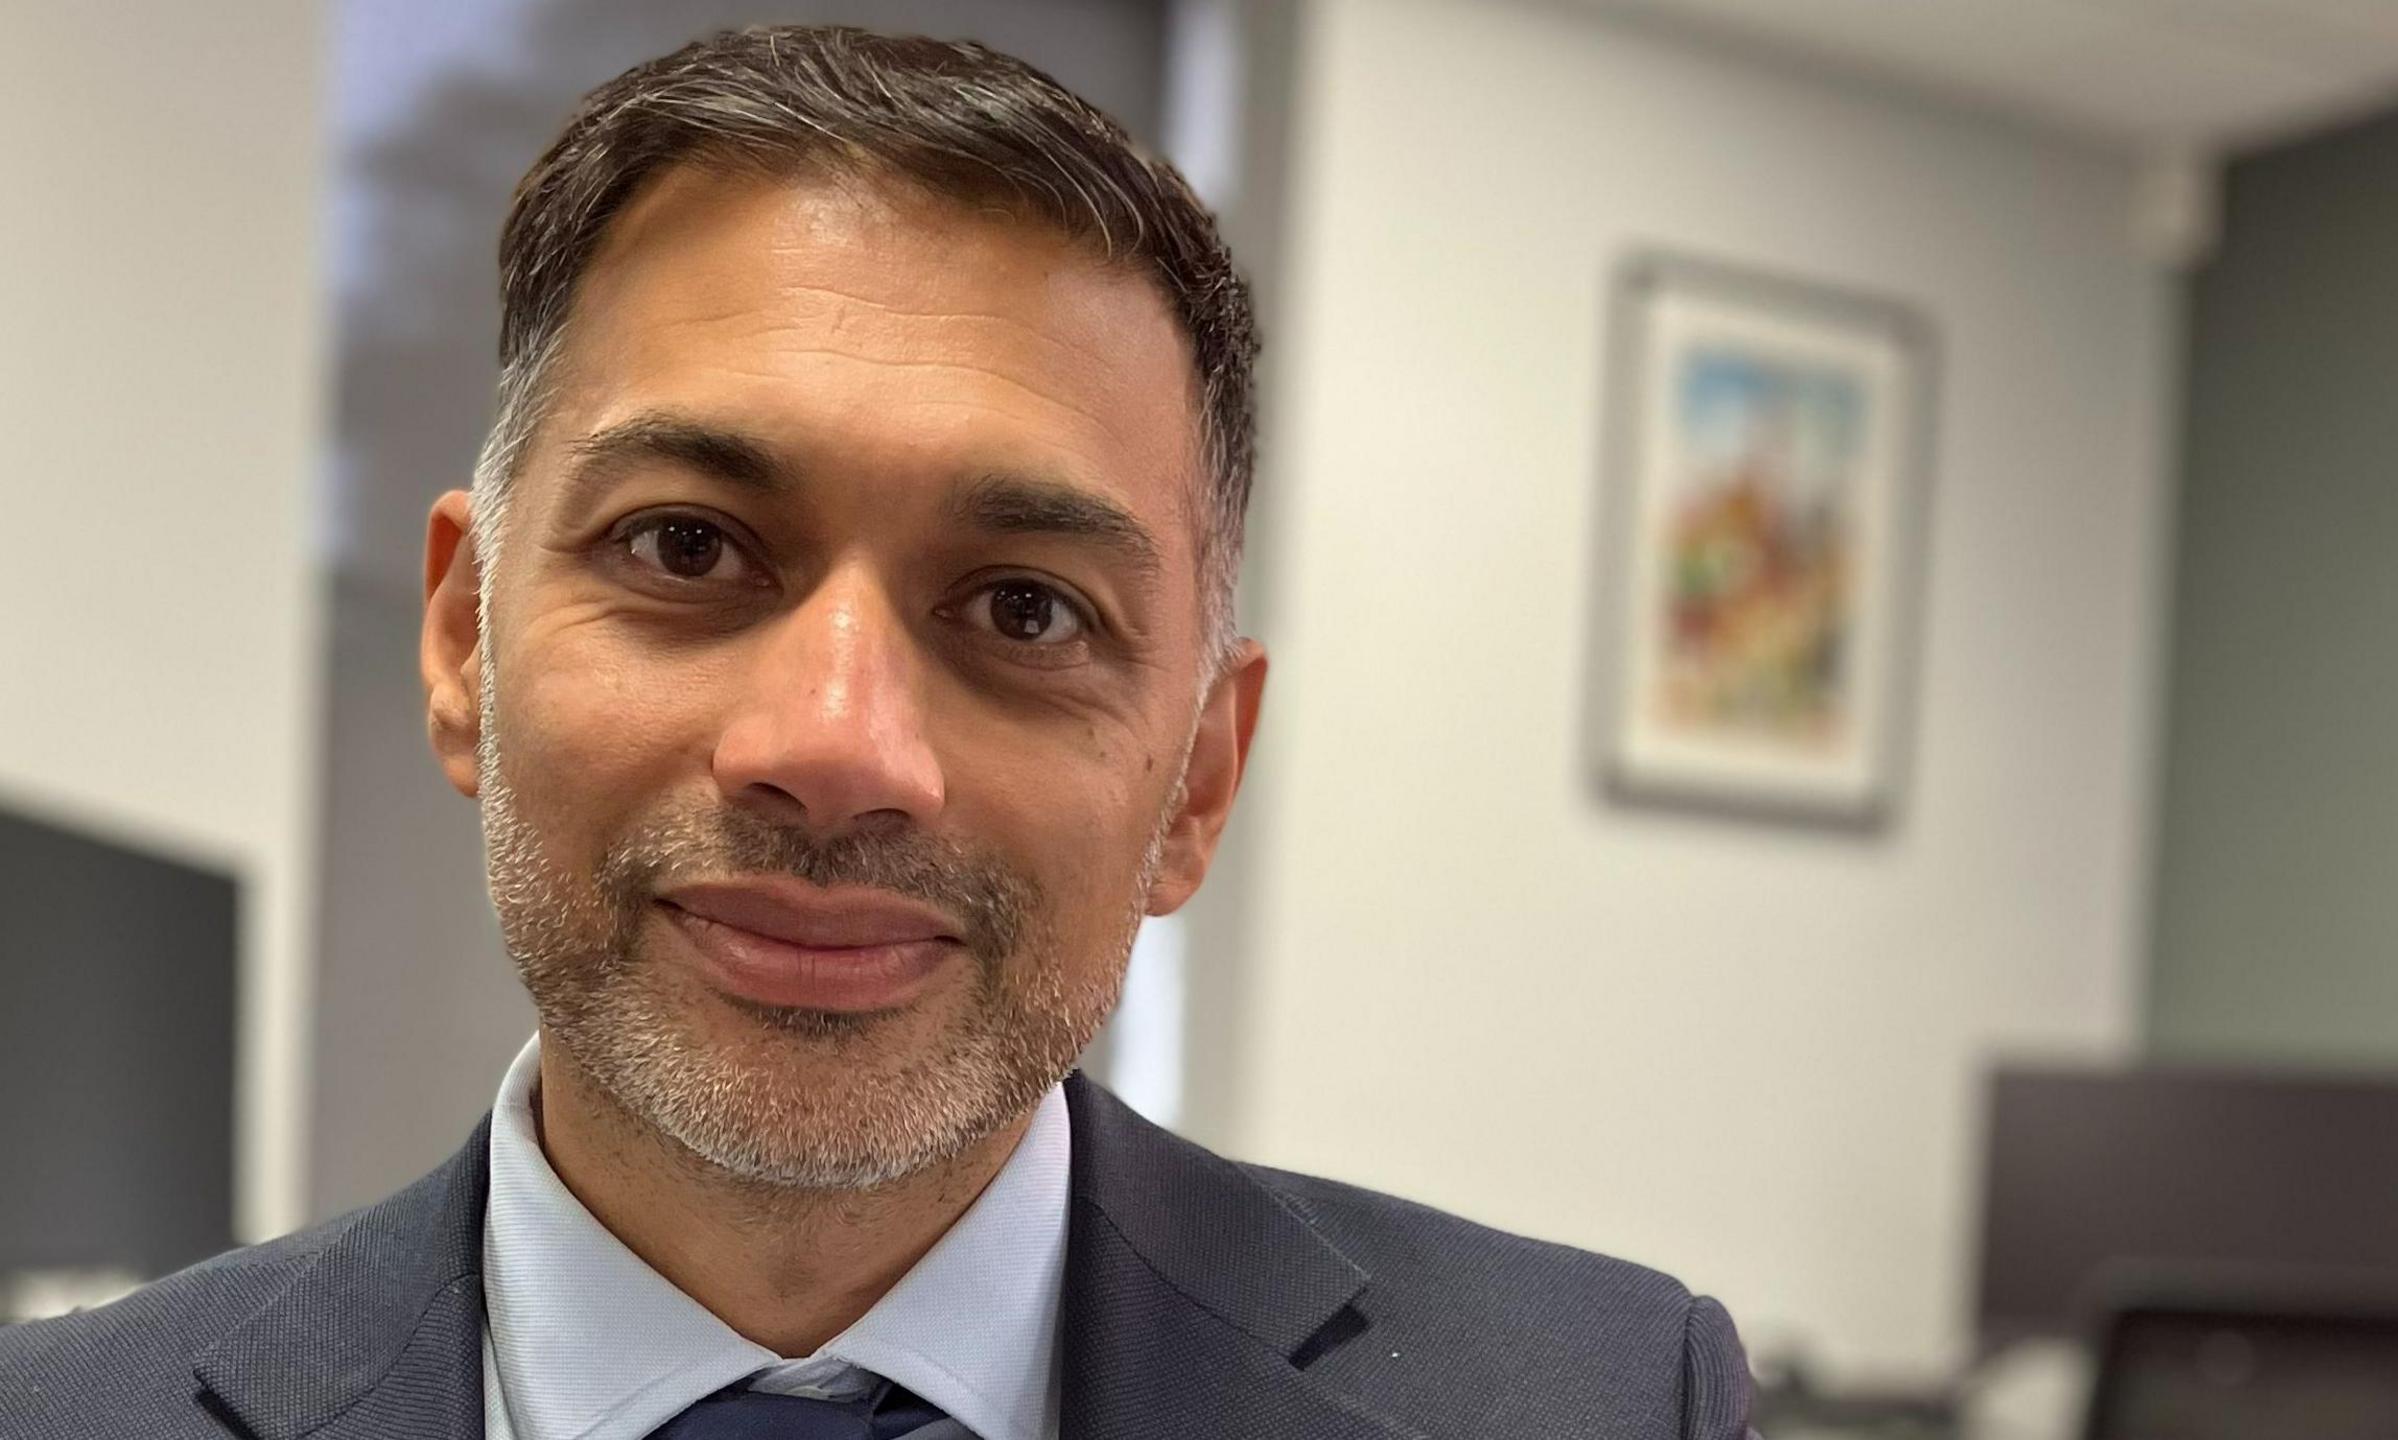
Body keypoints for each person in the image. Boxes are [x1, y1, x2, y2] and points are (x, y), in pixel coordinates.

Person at [0, 26, 1754, 1439]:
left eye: (1024, 608)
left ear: (1196, 782)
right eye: (686, 547)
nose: (837, 746)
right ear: (465, 638)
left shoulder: (1605, 1399)